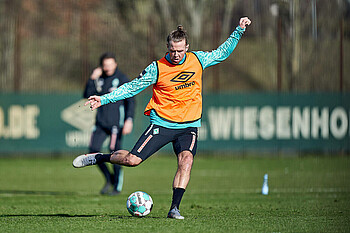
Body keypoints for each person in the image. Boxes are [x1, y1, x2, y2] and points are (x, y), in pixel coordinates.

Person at [74, 17, 251, 218]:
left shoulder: (198, 59)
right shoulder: (157, 68)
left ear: (187, 47)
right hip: (163, 123)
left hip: (189, 125)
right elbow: (131, 88)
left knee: (186, 161)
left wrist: (239, 30)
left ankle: (174, 208)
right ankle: (99, 157)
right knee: (133, 160)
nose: (176, 54)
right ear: (167, 47)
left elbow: (222, 53)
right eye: (172, 50)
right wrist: (104, 99)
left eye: (180, 50)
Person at [83, 52, 135, 196]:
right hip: (100, 123)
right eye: (105, 65)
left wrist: (129, 120)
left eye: (110, 64)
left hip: (115, 124)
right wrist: (92, 78)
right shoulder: (98, 79)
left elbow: (131, 101)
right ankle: (109, 178)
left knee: (115, 154)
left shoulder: (122, 79)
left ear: (115, 64)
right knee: (93, 151)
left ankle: (117, 187)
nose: (107, 67)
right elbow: (87, 94)